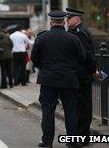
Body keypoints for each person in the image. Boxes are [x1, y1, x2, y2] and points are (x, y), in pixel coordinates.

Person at [31, 11, 86, 148]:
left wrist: (44, 68)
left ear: (51, 22)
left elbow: (34, 59)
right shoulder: (73, 38)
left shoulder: (42, 38)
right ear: (63, 22)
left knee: (48, 111)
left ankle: (47, 141)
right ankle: (73, 142)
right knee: (70, 111)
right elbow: (82, 58)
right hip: (68, 79)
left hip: (48, 80)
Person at [66, 8, 100, 146]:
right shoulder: (74, 32)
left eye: (70, 18)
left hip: (82, 76)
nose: (67, 20)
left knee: (84, 108)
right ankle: (79, 135)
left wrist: (93, 71)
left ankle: (83, 136)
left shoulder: (81, 33)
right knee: (77, 107)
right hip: (75, 76)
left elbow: (88, 56)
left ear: (77, 18)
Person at [0, 25, 13, 89]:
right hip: (9, 55)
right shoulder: (6, 37)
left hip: (1, 56)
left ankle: (4, 84)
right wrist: (8, 50)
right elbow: (11, 44)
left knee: (3, 70)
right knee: (9, 70)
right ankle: (11, 84)